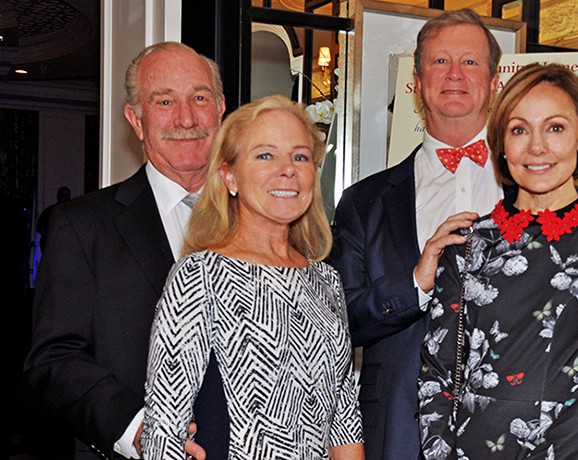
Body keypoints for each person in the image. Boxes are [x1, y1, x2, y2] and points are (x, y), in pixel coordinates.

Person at [328, 9, 578, 460]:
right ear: (415, 81)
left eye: (471, 62)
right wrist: (416, 282)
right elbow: (337, 325)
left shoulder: (551, 187)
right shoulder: (364, 202)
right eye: (439, 62)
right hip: (399, 432)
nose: (454, 74)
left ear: (495, 80)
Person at [418, 63, 578, 459]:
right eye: (519, 130)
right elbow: (435, 376)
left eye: (556, 127)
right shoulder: (466, 243)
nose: (537, 147)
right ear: (502, 145)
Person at [24, 41, 225, 460]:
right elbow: (54, 359)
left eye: (200, 98)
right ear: (136, 119)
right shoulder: (82, 227)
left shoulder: (266, 222)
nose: (187, 118)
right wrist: (137, 428)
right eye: (165, 101)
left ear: (221, 108)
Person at [141, 95, 364, 459]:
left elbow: (343, 419)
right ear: (229, 176)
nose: (287, 169)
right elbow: (164, 428)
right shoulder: (200, 274)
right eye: (265, 155)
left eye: (300, 156)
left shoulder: (325, 279)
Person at [36, 185, 72, 253]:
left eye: (67, 195)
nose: (65, 198)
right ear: (58, 196)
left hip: (67, 246)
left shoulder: (73, 212)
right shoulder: (50, 211)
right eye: (63, 195)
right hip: (51, 245)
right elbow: (40, 227)